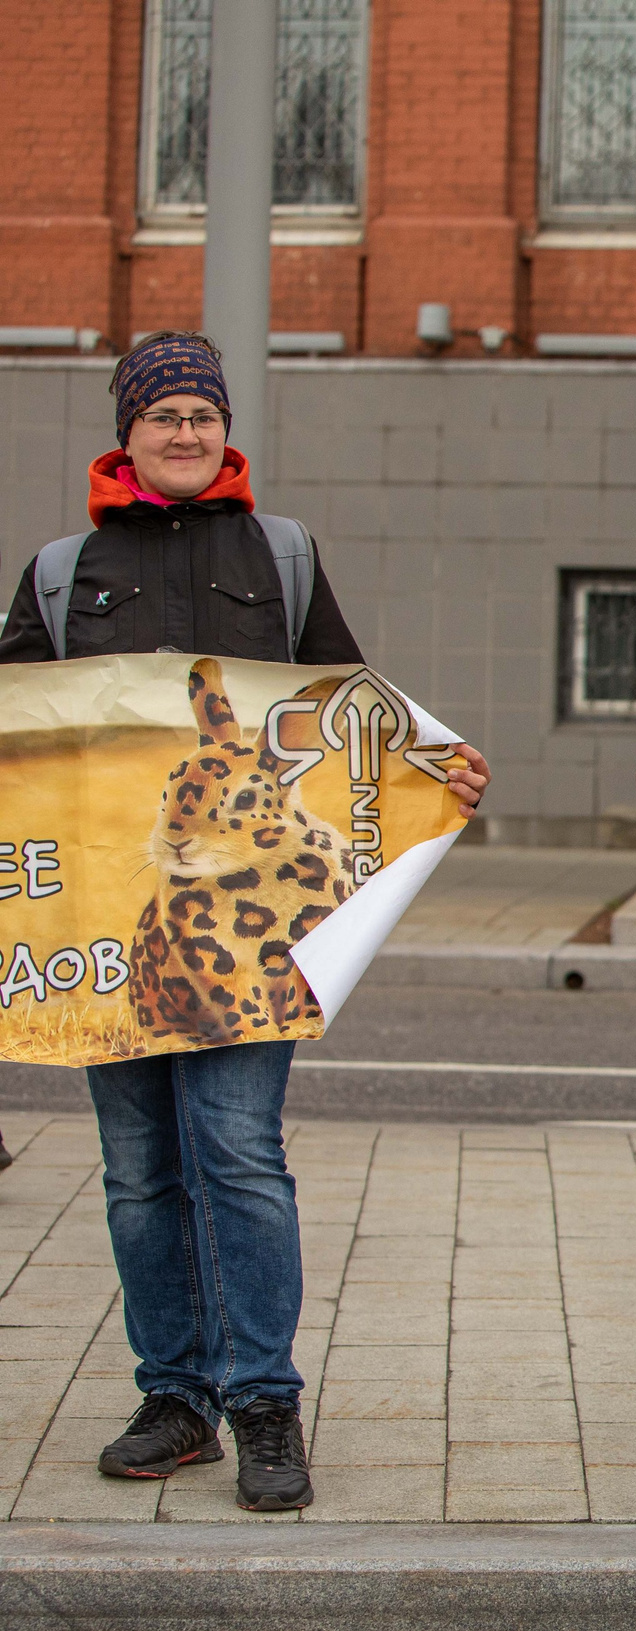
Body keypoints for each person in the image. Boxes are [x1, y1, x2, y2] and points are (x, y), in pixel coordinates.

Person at [0, 331, 489, 1511]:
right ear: (126, 432)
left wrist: (437, 763)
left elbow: (347, 705)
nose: (184, 432)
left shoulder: (282, 554)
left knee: (237, 1157)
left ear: (226, 430)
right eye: (162, 413)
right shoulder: (64, 573)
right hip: (109, 933)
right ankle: (175, 1399)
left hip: (249, 939)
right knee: (137, 1171)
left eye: (200, 414)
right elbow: (14, 729)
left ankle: (264, 1402)